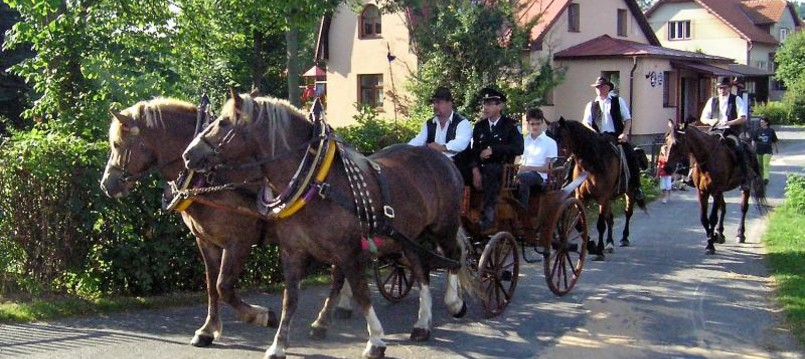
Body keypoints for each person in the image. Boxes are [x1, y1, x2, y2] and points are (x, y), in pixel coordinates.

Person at [467, 87, 524, 229]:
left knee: (491, 170)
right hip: (481, 167)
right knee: (460, 170)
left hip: (502, 169)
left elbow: (518, 148)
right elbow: (473, 150)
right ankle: (464, 212)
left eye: (490, 104)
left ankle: (488, 214)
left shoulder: (510, 125)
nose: (485, 107)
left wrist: (494, 150)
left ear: (500, 106)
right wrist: (474, 169)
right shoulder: (480, 126)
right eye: (484, 104)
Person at [581, 76, 645, 201]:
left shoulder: (618, 101)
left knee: (631, 155)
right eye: (597, 87)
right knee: (580, 156)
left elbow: (627, 119)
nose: (599, 89)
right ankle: (574, 183)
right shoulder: (591, 105)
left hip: (616, 137)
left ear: (608, 87)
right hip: (598, 139)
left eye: (602, 86)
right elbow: (586, 123)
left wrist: (625, 133)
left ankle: (636, 187)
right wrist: (593, 133)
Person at [699, 76, 749, 187]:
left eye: (724, 88)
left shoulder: (736, 99)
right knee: (699, 147)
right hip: (715, 130)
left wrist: (729, 123)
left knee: (738, 148)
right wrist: (711, 121)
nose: (722, 90)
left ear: (729, 88)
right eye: (720, 88)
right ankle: (690, 174)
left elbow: (743, 117)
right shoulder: (712, 100)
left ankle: (744, 178)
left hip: (731, 131)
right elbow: (703, 118)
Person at [408, 86, 472, 159]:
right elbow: (419, 140)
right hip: (434, 165)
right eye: (434, 103)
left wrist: (442, 147)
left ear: (449, 103)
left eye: (438, 102)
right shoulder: (429, 124)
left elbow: (461, 143)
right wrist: (406, 148)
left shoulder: (462, 123)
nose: (435, 106)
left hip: (457, 166)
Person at [517, 108, 557, 209]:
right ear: (528, 124)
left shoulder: (550, 142)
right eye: (532, 124)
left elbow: (547, 168)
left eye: (538, 124)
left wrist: (527, 168)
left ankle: (522, 211)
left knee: (523, 177)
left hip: (541, 177)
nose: (535, 127)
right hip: (523, 173)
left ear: (542, 123)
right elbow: (518, 160)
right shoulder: (525, 141)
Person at [751, 116, 778, 185]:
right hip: (759, 150)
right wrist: (752, 149)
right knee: (760, 166)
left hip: (768, 150)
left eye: (763, 122)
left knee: (765, 164)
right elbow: (753, 140)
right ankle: (761, 178)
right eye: (761, 122)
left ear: (767, 123)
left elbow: (774, 140)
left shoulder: (771, 131)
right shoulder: (757, 131)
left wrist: (776, 148)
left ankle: (766, 178)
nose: (761, 123)